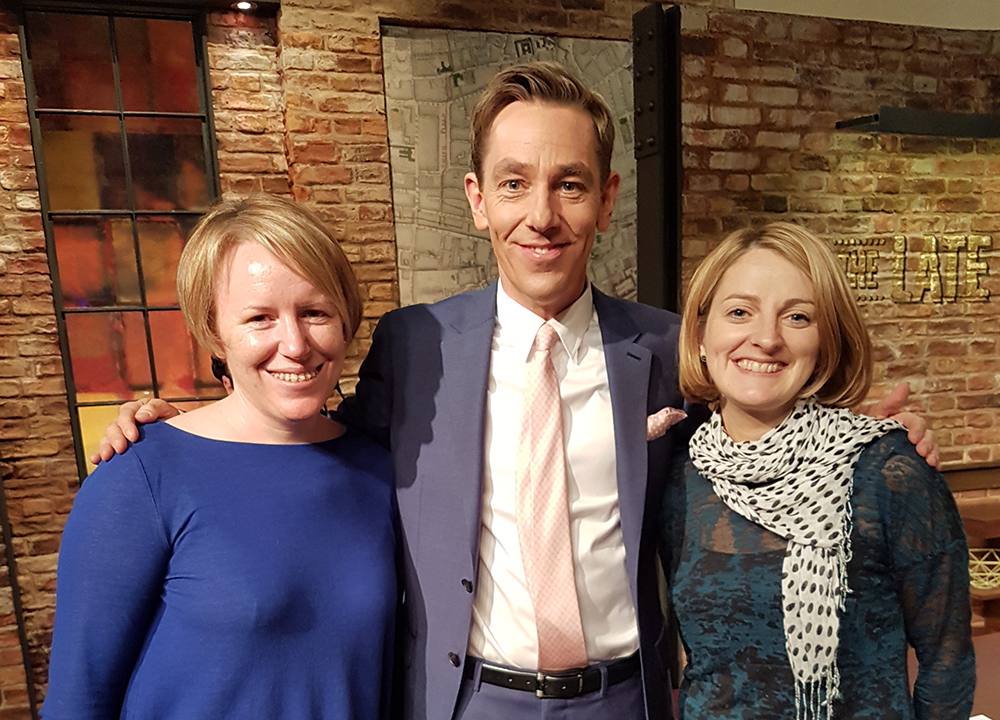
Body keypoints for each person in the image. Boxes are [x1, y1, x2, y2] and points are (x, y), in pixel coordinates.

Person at [90, 63, 936, 720]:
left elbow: (759, 423)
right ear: (477, 200)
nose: (543, 213)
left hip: (624, 697)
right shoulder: (414, 343)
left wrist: (863, 447)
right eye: (514, 182)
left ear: (605, 200)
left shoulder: (665, 344)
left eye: (570, 183)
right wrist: (190, 422)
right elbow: (317, 435)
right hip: (466, 699)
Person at [44, 195, 398, 720]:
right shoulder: (142, 474)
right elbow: (78, 700)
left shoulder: (382, 468)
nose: (295, 344)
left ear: (345, 322)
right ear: (214, 331)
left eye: (315, 312)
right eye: (259, 318)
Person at [661, 222, 975, 720]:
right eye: (740, 312)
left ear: (826, 343)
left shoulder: (887, 470)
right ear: (701, 335)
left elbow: (947, 659)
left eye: (798, 317)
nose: (766, 338)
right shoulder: (681, 477)